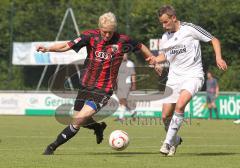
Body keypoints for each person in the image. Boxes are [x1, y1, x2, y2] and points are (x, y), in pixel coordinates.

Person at [37, 12, 154, 155]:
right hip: (86, 85)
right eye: (104, 32)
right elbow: (67, 46)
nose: (107, 35)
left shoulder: (123, 40)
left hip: (103, 90)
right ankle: (98, 128)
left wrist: (152, 59)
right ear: (99, 28)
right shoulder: (90, 36)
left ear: (114, 29)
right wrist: (48, 48)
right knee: (80, 118)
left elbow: (141, 46)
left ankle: (52, 147)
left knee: (78, 120)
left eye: (110, 32)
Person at [146, 5, 227, 156]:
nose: (163, 26)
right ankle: (175, 140)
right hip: (174, 78)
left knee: (181, 105)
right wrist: (156, 60)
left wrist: (218, 57)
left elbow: (214, 40)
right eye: (161, 23)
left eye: (165, 22)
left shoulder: (190, 29)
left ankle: (167, 143)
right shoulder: (165, 37)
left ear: (173, 18)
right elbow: (165, 56)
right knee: (164, 117)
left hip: (193, 75)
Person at [115, 53, 137, 121]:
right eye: (123, 54)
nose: (124, 56)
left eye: (125, 55)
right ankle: (132, 112)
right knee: (121, 101)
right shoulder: (117, 63)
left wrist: (134, 84)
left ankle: (121, 117)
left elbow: (133, 74)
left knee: (123, 100)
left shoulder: (130, 63)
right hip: (119, 84)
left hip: (126, 84)